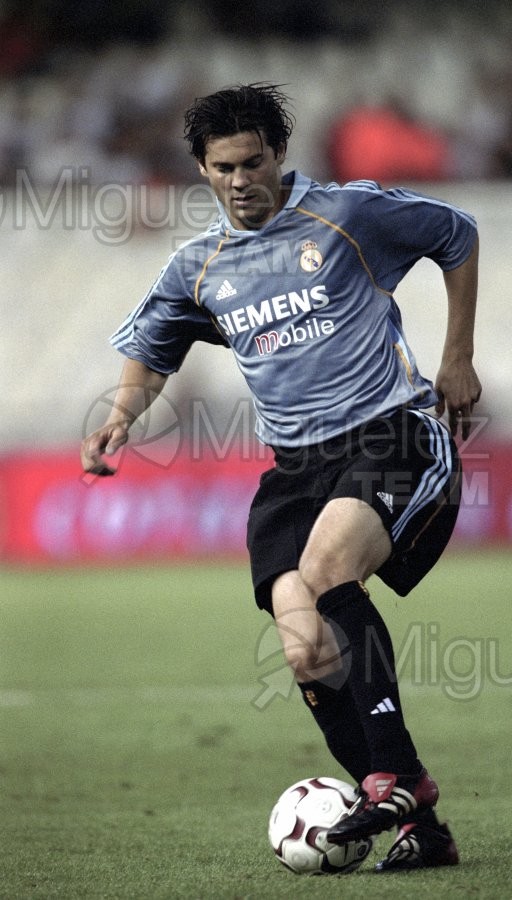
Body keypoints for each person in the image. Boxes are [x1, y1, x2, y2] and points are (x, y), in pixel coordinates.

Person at [81, 83, 481, 872]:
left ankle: (397, 777)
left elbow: (456, 234)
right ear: (202, 170)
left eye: (253, 162)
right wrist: (120, 417)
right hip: (294, 470)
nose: (241, 180)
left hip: (390, 433)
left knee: (328, 567)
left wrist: (457, 357)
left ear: (279, 155)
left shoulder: (347, 214)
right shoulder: (199, 266)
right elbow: (154, 347)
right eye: (224, 167)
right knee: (305, 651)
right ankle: (421, 828)